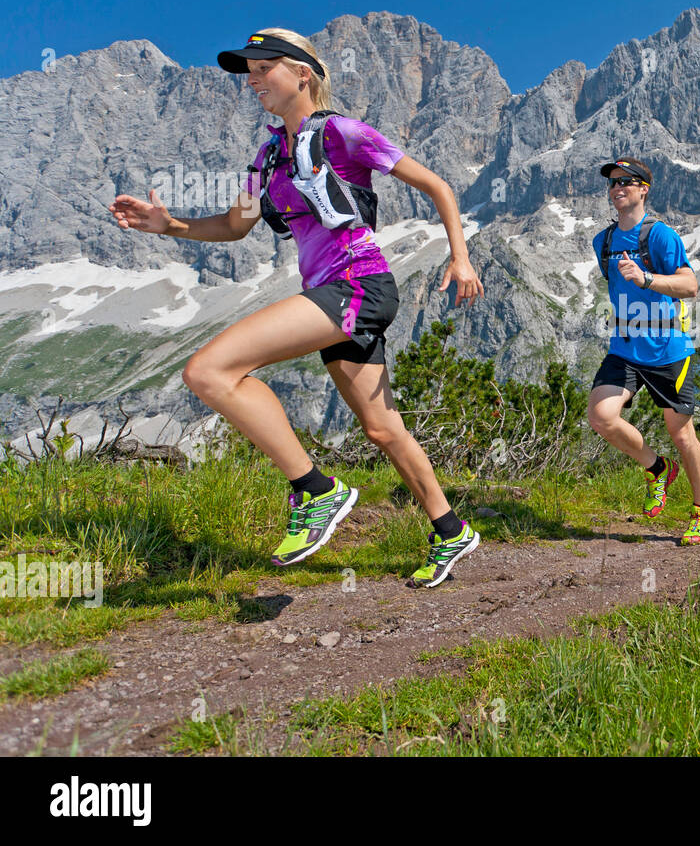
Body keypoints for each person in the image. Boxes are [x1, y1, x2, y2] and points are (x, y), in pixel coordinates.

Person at [109, 29, 484, 588]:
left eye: (263, 67)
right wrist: (172, 226)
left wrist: (460, 257)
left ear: (302, 73)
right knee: (383, 430)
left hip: (358, 284)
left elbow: (437, 185)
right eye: (248, 71)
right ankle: (451, 529)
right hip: (336, 294)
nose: (252, 79)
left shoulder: (343, 133)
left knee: (210, 371)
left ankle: (316, 490)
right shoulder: (266, 157)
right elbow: (236, 228)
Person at [586, 158, 700, 544]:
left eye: (626, 181)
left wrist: (645, 278)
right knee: (601, 415)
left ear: (644, 189)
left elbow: (690, 286)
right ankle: (657, 468)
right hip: (625, 347)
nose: (617, 188)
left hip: (666, 350)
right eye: (612, 183)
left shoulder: (660, 236)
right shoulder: (603, 241)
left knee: (681, 434)